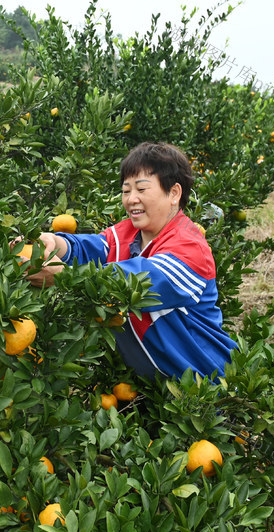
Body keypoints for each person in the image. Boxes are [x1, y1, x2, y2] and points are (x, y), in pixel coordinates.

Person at [26, 142, 238, 381]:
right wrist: (53, 242)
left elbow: (138, 281)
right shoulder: (126, 233)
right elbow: (91, 249)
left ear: (174, 193)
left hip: (206, 389)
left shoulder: (191, 247)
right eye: (126, 191)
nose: (131, 199)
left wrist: (63, 276)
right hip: (153, 391)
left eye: (141, 189)